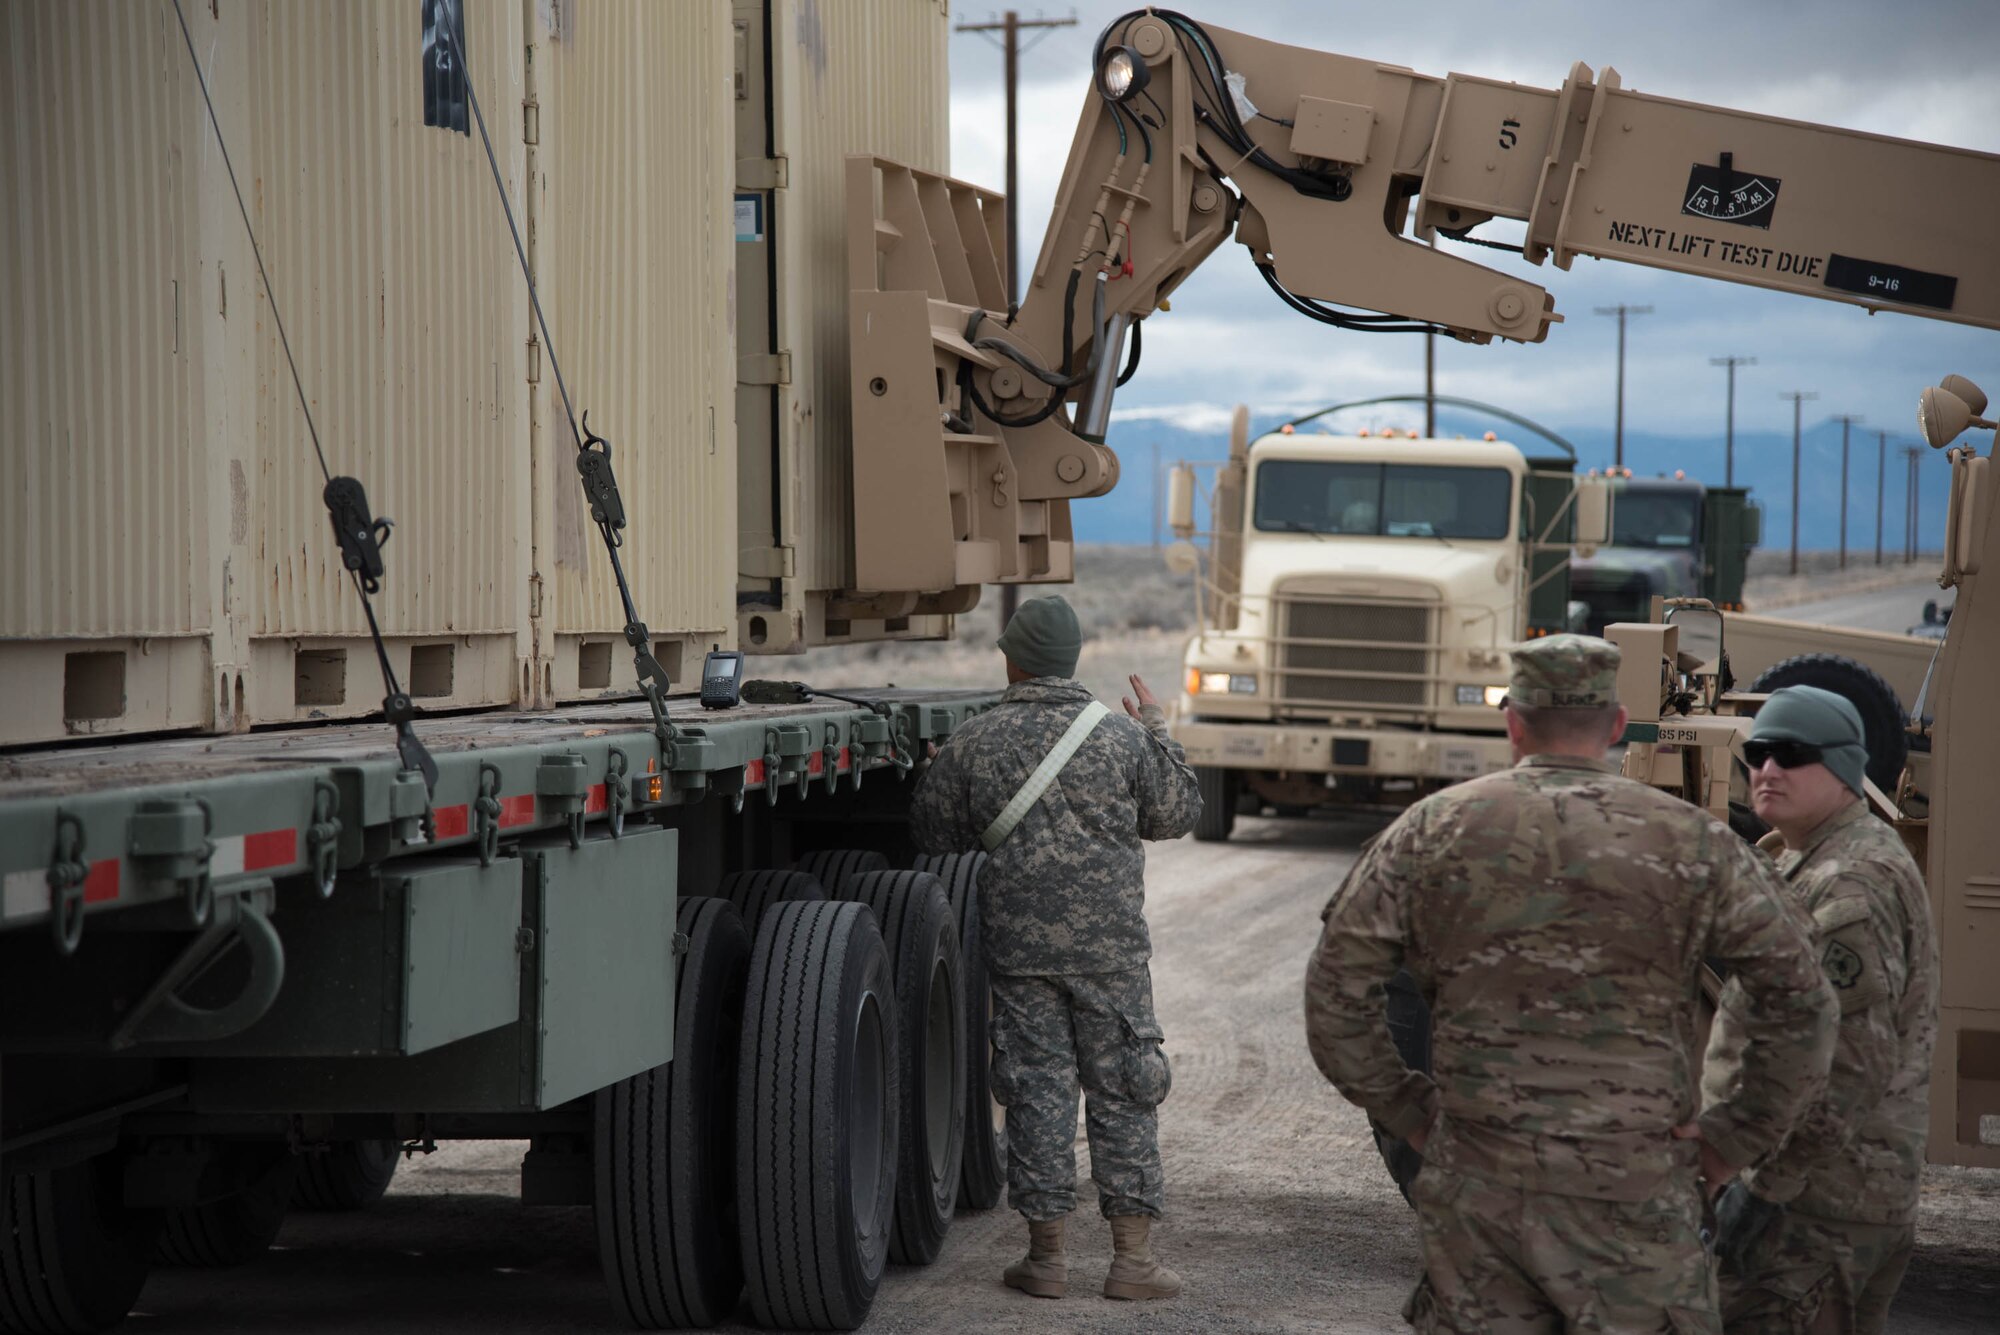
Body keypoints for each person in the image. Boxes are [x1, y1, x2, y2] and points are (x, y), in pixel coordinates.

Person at [1303, 633, 1839, 1333]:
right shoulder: (1694, 841)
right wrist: (1730, 1138)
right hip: (1637, 1198)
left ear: (1513, 722)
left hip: (1477, 1200)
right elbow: (1804, 1003)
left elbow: (1335, 993)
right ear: (1617, 725)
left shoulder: (1431, 830)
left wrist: (1411, 1110)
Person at [909, 595, 1202, 1301]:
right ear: (1072, 659)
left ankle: (1046, 1259)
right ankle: (1132, 1262)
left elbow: (931, 831)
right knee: (1126, 1091)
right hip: (1112, 956)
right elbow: (1181, 810)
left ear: (1011, 660)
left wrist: (937, 768)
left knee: (1036, 1092)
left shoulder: (978, 740)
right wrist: (1159, 728)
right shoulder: (1121, 739)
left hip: (1022, 954)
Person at [1703, 686, 1939, 1334]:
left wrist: (1764, 1188)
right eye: (1758, 752)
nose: (1768, 768)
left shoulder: (1851, 881)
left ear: (1842, 766)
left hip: (1816, 1210)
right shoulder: (1812, 857)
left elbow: (1852, 1062)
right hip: (1819, 1197)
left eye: (1792, 753)